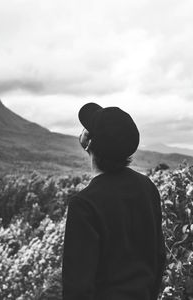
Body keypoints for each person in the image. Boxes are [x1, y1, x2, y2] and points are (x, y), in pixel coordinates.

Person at [62, 102, 166, 300]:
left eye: (86, 128)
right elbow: (159, 257)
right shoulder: (147, 187)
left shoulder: (84, 204)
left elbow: (77, 287)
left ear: (89, 142)